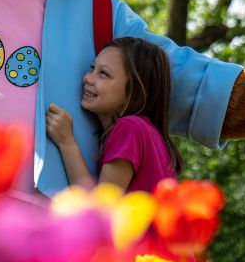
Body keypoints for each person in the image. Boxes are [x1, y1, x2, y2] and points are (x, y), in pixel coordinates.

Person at [45, 37, 182, 193]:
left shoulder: (130, 127)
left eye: (103, 73)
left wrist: (67, 142)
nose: (87, 78)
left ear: (135, 90)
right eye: (92, 68)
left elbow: (101, 211)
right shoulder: (150, 134)